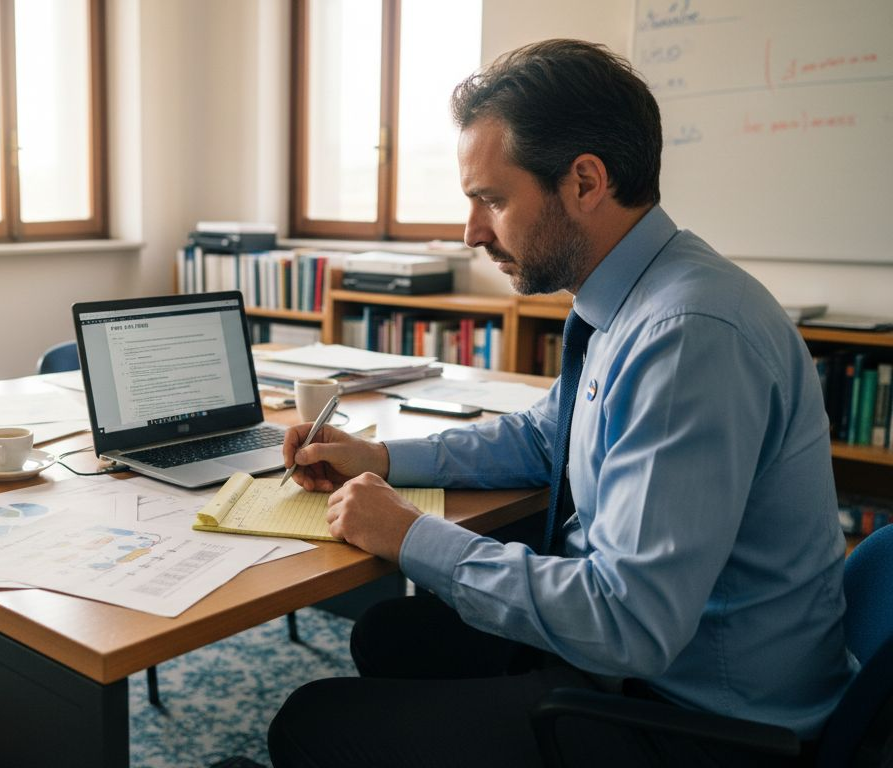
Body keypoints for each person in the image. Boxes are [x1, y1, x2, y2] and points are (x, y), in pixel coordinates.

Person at [266, 39, 856, 768]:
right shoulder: (631, 294)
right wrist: (381, 457)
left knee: (312, 722)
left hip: (693, 721)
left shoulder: (688, 338)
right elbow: (547, 439)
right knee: (389, 635)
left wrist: (413, 535)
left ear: (584, 181)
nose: (471, 233)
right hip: (656, 665)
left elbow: (627, 620)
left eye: (492, 200)